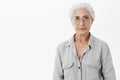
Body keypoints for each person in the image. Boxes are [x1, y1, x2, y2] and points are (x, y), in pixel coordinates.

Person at [53, 3, 116, 80]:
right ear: (71, 21)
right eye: (77, 18)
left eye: (86, 18)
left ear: (92, 20)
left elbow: (110, 77)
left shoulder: (102, 47)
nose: (81, 23)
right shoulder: (61, 49)